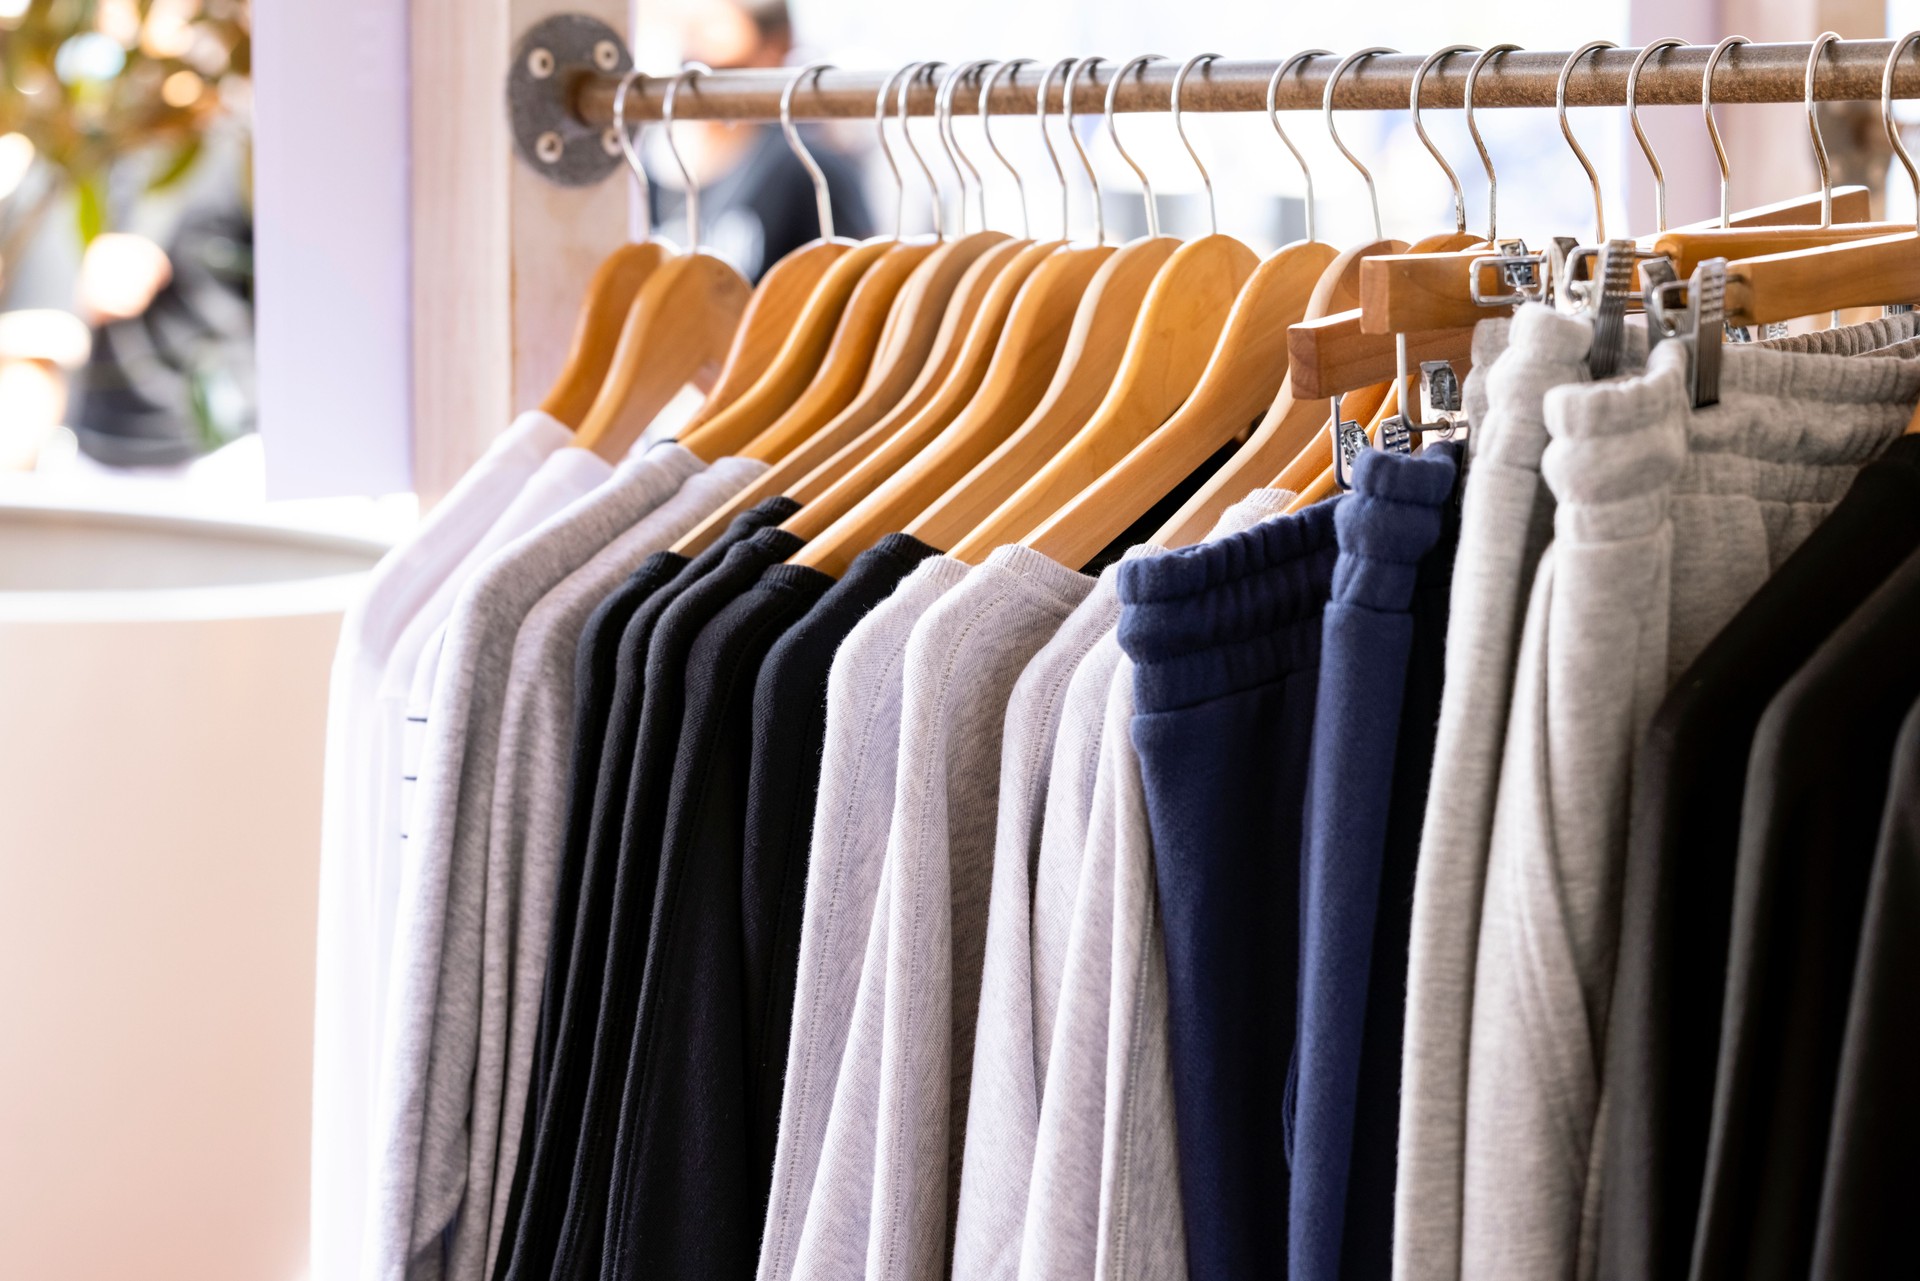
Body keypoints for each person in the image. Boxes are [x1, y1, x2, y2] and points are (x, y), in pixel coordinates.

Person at [650, 0, 874, 280]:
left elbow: (856, 293)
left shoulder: (809, 170)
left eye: (712, 33)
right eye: (692, 34)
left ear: (774, 48)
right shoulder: (651, 165)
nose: (695, 55)